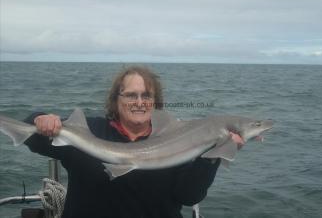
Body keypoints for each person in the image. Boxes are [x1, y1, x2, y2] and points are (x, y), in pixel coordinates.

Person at [24, 65, 244, 218]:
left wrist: (216, 153)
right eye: (131, 95)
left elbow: (188, 196)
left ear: (155, 102)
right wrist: (39, 119)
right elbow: (32, 139)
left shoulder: (176, 141)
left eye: (146, 96)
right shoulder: (89, 130)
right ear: (115, 100)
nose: (139, 102)